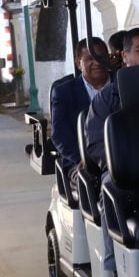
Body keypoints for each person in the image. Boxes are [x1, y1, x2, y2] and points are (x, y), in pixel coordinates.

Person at [84, 27, 139, 277]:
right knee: (110, 190)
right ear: (125, 56)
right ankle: (117, 273)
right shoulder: (108, 97)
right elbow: (95, 143)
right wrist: (122, 164)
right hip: (124, 171)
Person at [50, 37, 109, 189]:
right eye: (90, 59)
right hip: (80, 161)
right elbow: (60, 135)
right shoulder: (64, 92)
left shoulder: (121, 85)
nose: (97, 62)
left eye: (101, 57)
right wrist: (82, 158)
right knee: (90, 181)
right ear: (78, 63)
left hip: (119, 158)